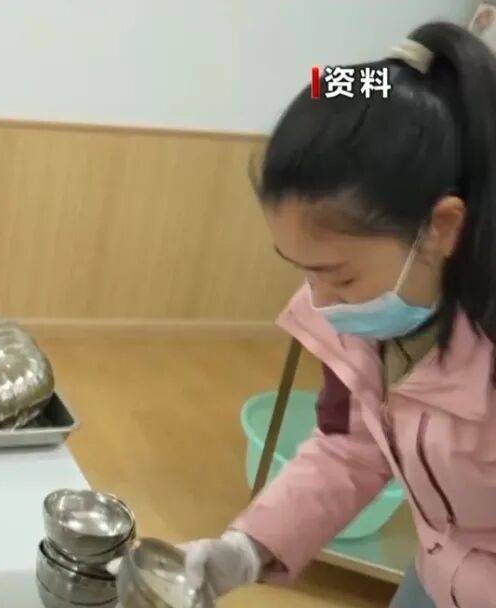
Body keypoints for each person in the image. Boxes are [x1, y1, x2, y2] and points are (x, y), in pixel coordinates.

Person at [171, 22, 496, 608]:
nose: (320, 304)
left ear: (442, 228)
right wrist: (247, 547)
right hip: (438, 568)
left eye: (340, 277)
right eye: (303, 271)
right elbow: (351, 446)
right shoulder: (370, 323)